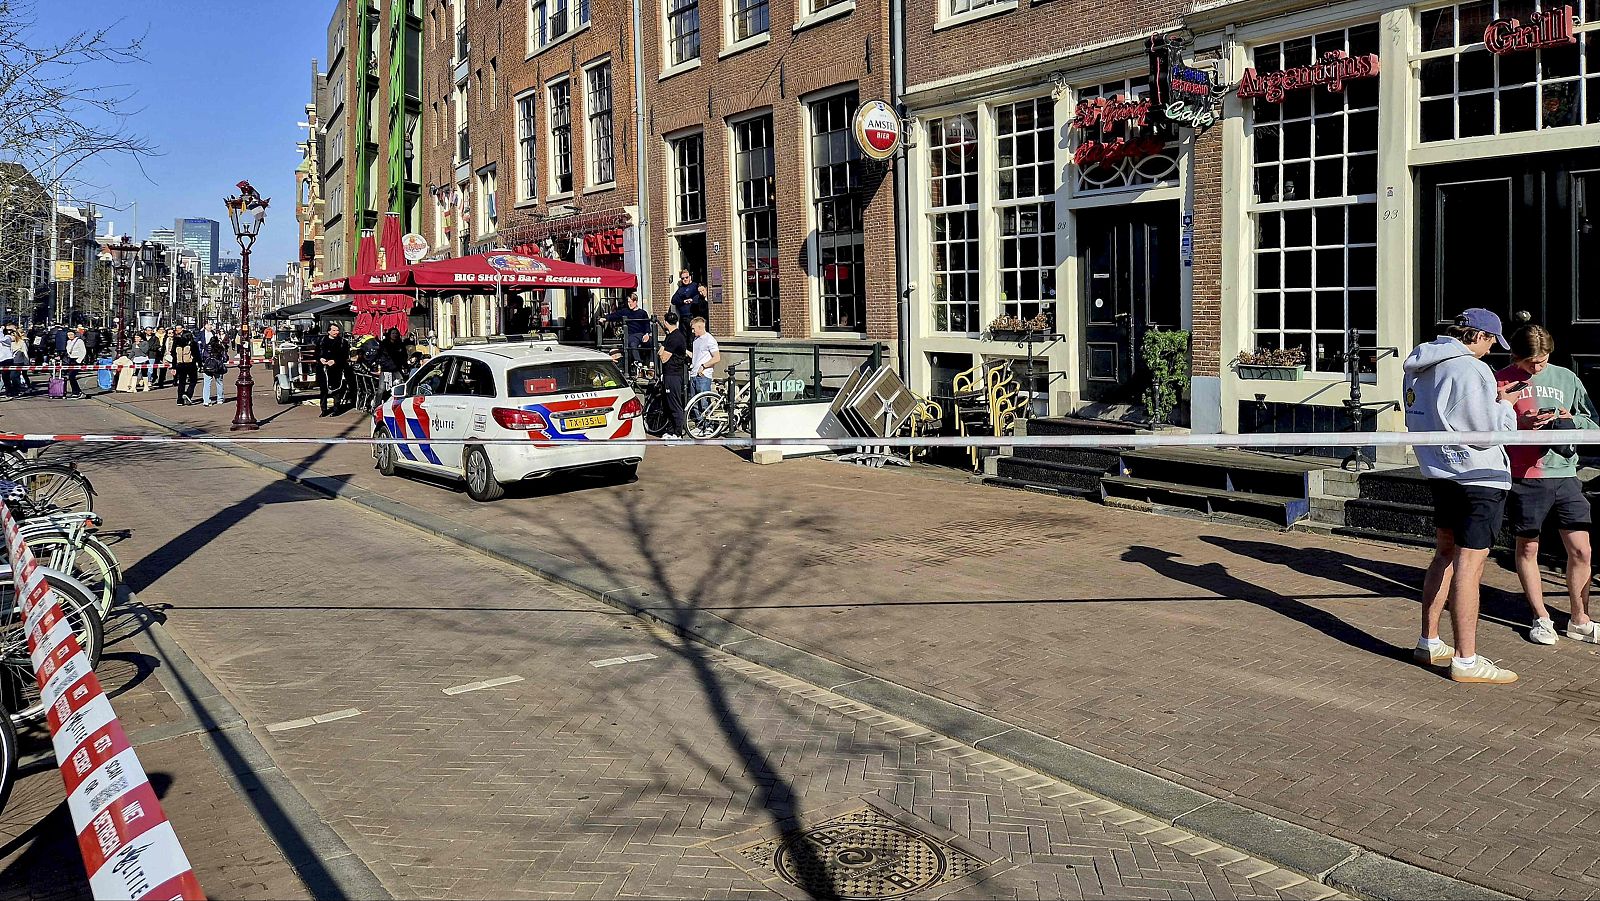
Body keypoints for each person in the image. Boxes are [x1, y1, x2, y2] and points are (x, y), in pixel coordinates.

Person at [1405, 307, 1521, 685]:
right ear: (1479, 336)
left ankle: (1429, 641)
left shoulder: (1419, 366)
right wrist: (1505, 406)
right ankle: (1466, 659)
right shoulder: (1472, 368)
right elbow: (1485, 434)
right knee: (1470, 565)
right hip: (1478, 476)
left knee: (1445, 554)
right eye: (1491, 342)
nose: (1491, 350)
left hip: (1440, 471)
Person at [1494, 325, 1598, 645]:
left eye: (1543, 360)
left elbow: (1592, 422)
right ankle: (1541, 617)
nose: (1538, 367)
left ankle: (1580, 618)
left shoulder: (1566, 377)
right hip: (1524, 476)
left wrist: (1568, 419)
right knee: (1528, 547)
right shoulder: (1500, 380)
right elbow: (1486, 428)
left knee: (1581, 549)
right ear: (1516, 357)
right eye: (1531, 362)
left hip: (1565, 473)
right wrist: (1519, 423)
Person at [602, 292, 652, 376]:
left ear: (635, 301)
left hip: (641, 335)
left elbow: (646, 324)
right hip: (631, 335)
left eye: (630, 302)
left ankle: (651, 365)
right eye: (628, 302)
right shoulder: (625, 311)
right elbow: (615, 315)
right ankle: (639, 364)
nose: (629, 304)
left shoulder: (643, 313)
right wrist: (605, 318)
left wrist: (647, 334)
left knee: (652, 343)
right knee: (632, 343)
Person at [656, 311, 689, 438]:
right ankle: (670, 431)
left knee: (674, 404)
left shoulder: (675, 338)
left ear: (665, 322)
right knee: (668, 404)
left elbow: (663, 357)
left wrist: (662, 351)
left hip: (673, 374)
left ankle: (678, 433)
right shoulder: (671, 336)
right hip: (669, 374)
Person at [315, 323, 351, 417]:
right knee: (323, 390)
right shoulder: (321, 340)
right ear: (329, 331)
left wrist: (335, 361)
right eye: (334, 330)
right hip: (323, 369)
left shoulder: (343, 342)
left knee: (337, 389)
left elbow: (345, 356)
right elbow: (316, 353)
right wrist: (320, 359)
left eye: (337, 330)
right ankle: (324, 410)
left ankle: (336, 409)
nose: (336, 332)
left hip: (336, 368)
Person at [689, 316, 720, 396]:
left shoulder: (709, 339)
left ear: (700, 327)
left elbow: (717, 358)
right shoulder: (696, 339)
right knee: (693, 402)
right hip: (693, 374)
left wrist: (703, 366)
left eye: (693, 329)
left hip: (703, 376)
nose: (692, 331)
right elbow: (696, 356)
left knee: (704, 401)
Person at [169, 325, 199, 405]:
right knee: (193, 381)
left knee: (181, 382)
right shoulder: (192, 344)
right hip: (190, 364)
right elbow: (197, 355)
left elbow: (174, 355)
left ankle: (179, 400)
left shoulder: (176, 343)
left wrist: (173, 367)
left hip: (180, 365)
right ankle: (188, 394)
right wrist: (200, 364)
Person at [377, 327, 408, 395]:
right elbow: (381, 356)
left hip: (397, 369)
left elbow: (404, 356)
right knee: (381, 389)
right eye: (393, 333)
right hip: (386, 369)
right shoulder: (384, 344)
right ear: (389, 334)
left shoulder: (400, 344)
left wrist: (405, 366)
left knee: (401, 386)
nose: (395, 335)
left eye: (396, 333)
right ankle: (378, 401)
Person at [200, 332, 228, 406]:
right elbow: (225, 358)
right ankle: (220, 399)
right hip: (218, 366)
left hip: (207, 366)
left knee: (206, 384)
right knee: (219, 383)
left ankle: (206, 400)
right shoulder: (220, 347)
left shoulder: (206, 347)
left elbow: (203, 356)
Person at [64, 328, 87, 398]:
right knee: (70, 376)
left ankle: (77, 391)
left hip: (77, 360)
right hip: (71, 360)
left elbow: (83, 351)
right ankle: (75, 391)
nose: (70, 336)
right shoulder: (68, 342)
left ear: (74, 334)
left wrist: (79, 360)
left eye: (71, 334)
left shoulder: (79, 341)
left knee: (72, 376)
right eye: (68, 335)